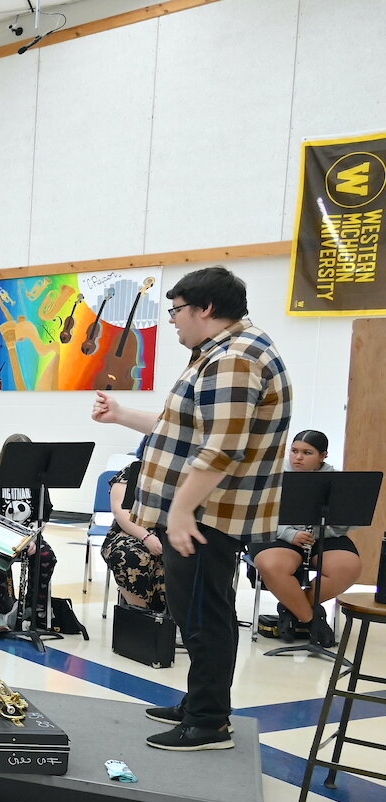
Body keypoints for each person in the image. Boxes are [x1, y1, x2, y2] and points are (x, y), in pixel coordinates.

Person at [93, 265, 292, 752]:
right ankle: (200, 703)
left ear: (206, 309)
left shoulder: (235, 359)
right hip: (205, 511)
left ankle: (208, 723)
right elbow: (180, 428)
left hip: (209, 514)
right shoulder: (221, 353)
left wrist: (181, 512)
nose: (174, 321)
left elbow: (221, 449)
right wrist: (121, 415)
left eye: (177, 310)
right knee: (203, 611)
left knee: (202, 616)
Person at [248, 430, 358, 646]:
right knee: (272, 565)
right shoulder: (272, 476)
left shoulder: (335, 480)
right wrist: (289, 534)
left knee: (349, 567)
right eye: (294, 451)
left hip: (321, 535)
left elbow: (347, 521)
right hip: (276, 533)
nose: (298, 457)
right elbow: (256, 514)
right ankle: (312, 620)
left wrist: (317, 533)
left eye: (307, 452)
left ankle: (292, 608)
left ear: (323, 456)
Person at [0, 433, 57, 637]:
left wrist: (32, 538)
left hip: (29, 536)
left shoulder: (38, 482)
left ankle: (31, 608)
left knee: (47, 557)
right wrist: (8, 539)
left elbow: (43, 514)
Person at [100, 460, 168, 613]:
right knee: (129, 556)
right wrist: (146, 537)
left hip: (173, 530)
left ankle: (171, 619)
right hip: (132, 529)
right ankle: (138, 614)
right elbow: (120, 512)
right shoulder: (134, 469)